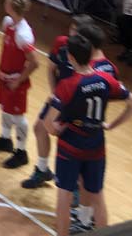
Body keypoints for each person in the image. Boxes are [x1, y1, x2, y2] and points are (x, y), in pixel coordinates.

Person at [44, 32, 132, 236]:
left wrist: (56, 130)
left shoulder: (67, 85)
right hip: (96, 144)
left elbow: (48, 123)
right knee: (97, 196)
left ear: (70, 58)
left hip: (71, 145)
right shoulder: (106, 79)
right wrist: (112, 125)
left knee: (64, 196)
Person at [21, 15, 93, 190]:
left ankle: (76, 188)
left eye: (76, 31)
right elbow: (51, 69)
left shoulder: (88, 53)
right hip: (60, 99)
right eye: (71, 29)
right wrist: (54, 92)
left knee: (73, 146)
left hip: (76, 105)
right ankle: (42, 170)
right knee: (40, 128)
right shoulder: (61, 43)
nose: (72, 33)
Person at [0, 0, 39, 169]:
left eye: (6, 1)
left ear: (12, 6)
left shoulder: (23, 34)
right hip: (4, 76)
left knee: (18, 116)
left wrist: (19, 80)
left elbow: (35, 62)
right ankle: (6, 139)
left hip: (15, 80)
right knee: (5, 109)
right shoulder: (8, 22)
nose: (4, 3)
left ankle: (21, 152)